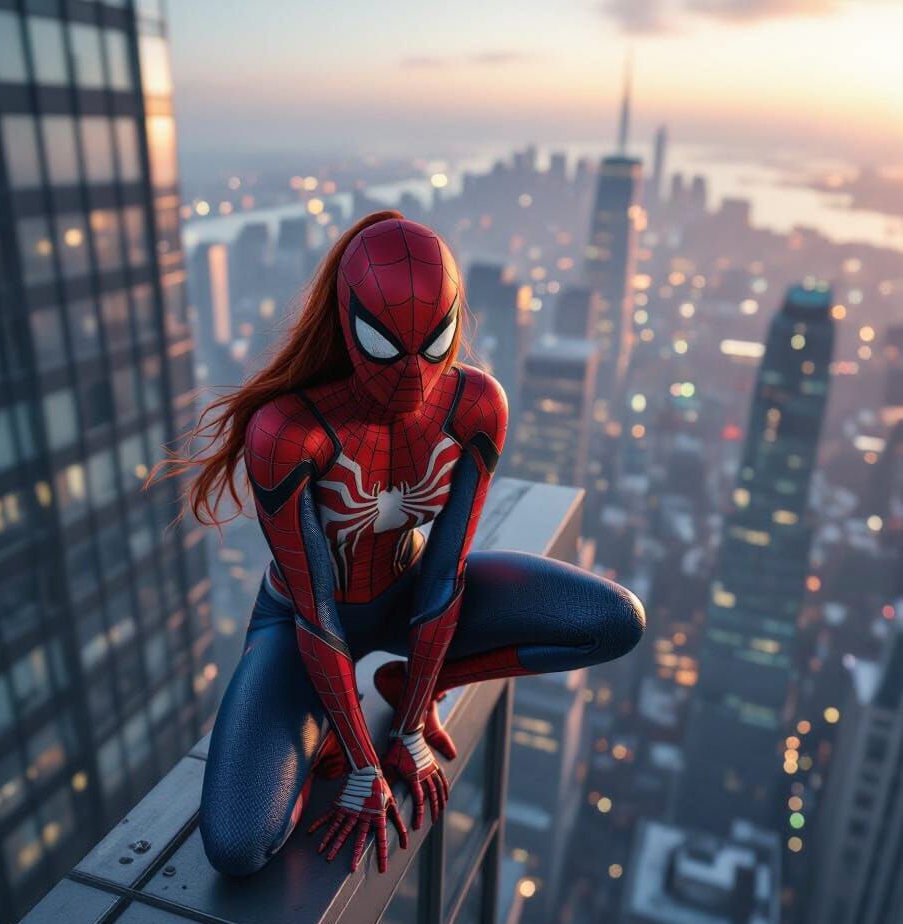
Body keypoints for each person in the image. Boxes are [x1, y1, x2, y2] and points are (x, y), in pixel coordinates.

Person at [152, 211, 645, 878]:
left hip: (412, 592)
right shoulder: (290, 431)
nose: (413, 375)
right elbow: (316, 613)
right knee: (239, 846)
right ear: (345, 323)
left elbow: (445, 576)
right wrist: (361, 763)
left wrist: (410, 723)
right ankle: (330, 720)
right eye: (386, 347)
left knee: (611, 621)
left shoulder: (475, 405)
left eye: (433, 343)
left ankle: (400, 678)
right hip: (302, 623)